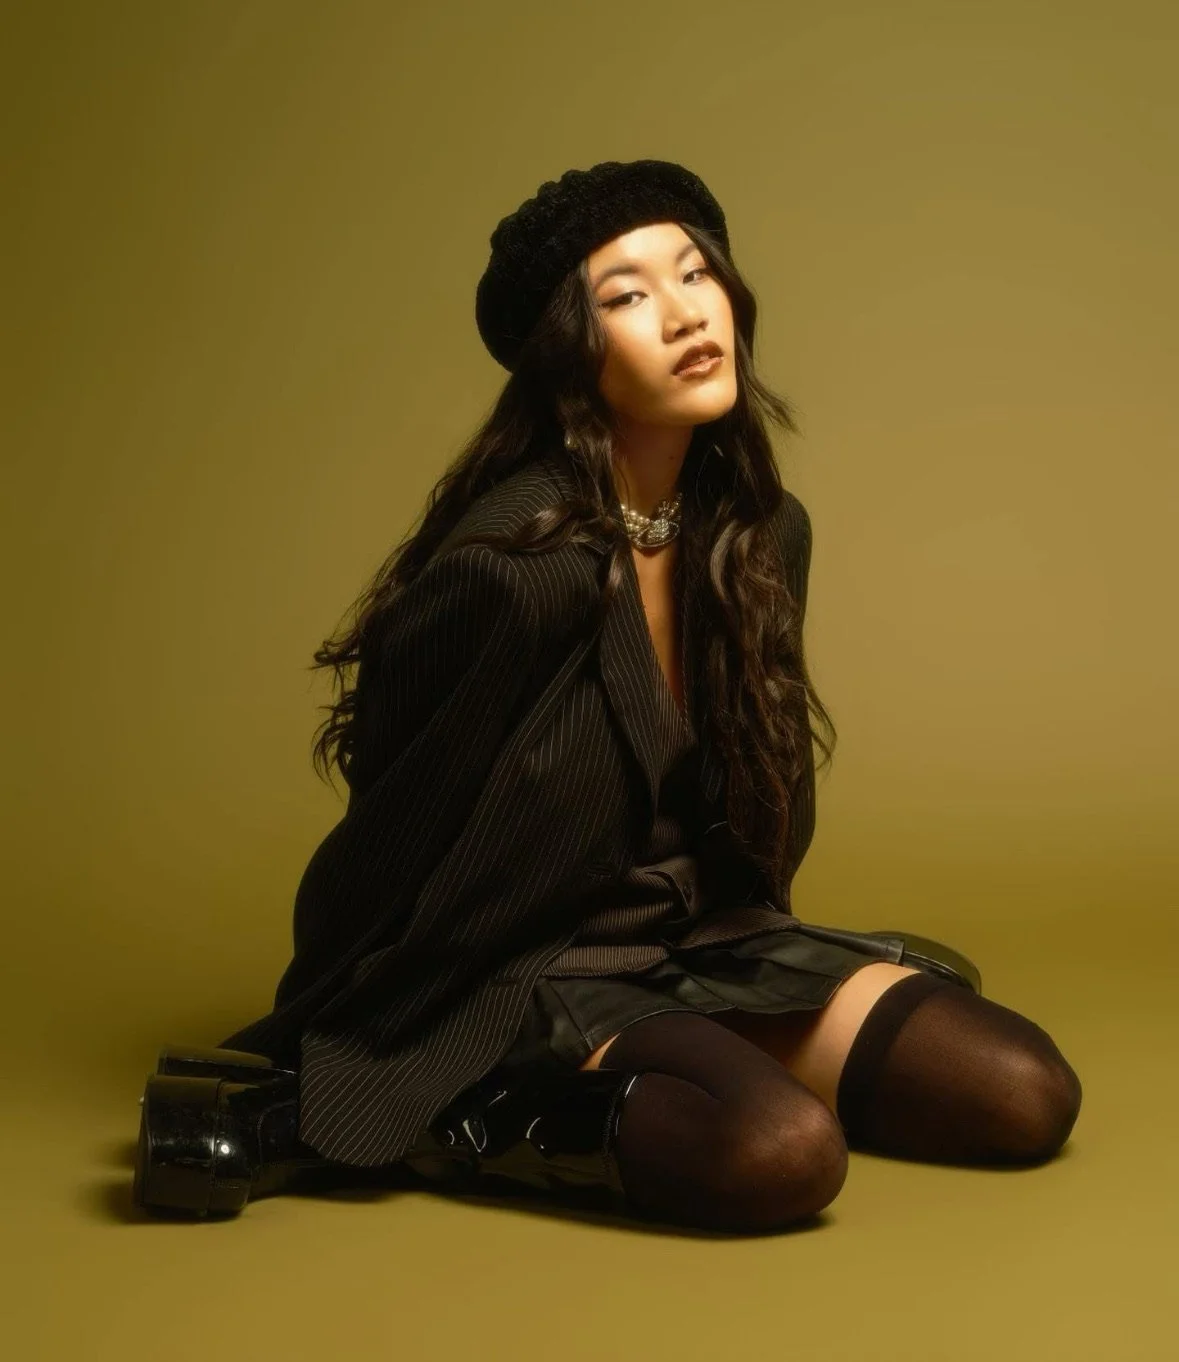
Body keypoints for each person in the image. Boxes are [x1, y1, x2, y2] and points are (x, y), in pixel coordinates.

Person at [133, 159, 1082, 1233]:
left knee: (1024, 1093)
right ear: (568, 357)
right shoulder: (508, 569)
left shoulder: (763, 532)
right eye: (628, 297)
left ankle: (708, 1052)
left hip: (705, 942)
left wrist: (777, 953)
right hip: (534, 965)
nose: (684, 314)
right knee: (780, 1154)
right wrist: (351, 1049)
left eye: (695, 274)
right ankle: (466, 1109)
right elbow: (397, 825)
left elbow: (746, 789)